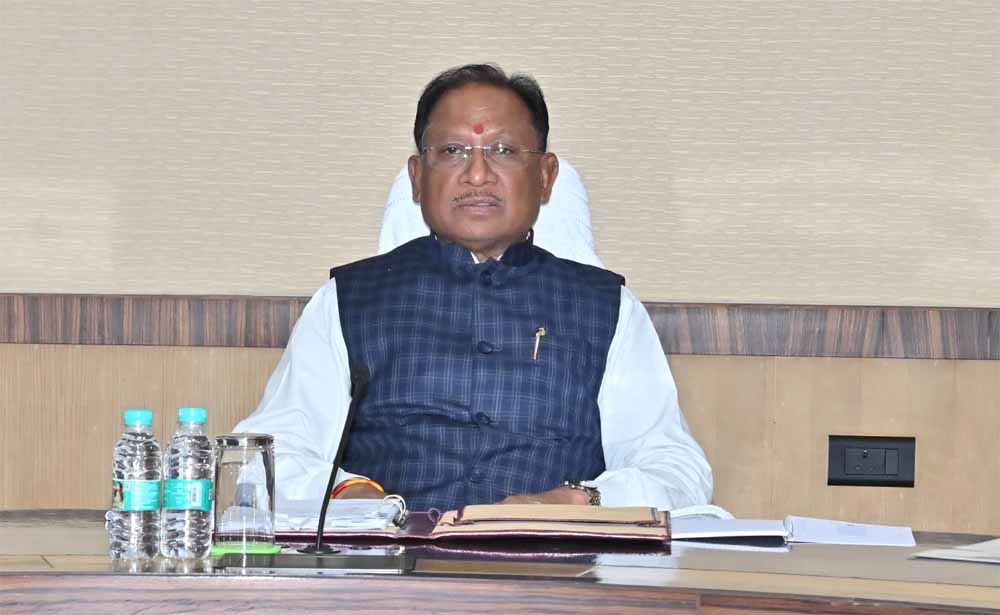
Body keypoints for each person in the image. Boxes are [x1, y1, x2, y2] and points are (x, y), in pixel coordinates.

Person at [235, 64, 712, 512]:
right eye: (452, 151)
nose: (477, 175)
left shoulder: (605, 307)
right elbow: (268, 456)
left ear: (545, 177)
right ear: (417, 178)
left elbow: (675, 469)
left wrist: (576, 501)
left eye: (503, 151)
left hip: (555, 564)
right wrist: (348, 492)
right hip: (391, 565)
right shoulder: (349, 299)